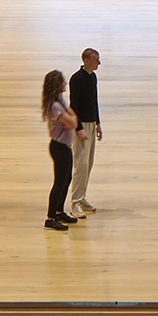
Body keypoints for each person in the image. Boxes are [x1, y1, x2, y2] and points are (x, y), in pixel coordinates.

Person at [67, 47, 103, 215]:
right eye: (96, 60)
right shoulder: (77, 79)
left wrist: (98, 123)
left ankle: (81, 197)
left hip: (91, 123)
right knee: (81, 164)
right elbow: (73, 106)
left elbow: (94, 100)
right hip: (80, 126)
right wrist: (79, 128)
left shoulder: (92, 77)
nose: (99, 63)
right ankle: (74, 203)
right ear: (86, 60)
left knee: (88, 163)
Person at [43, 69, 79, 230]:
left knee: (67, 179)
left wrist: (72, 119)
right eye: (63, 81)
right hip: (59, 147)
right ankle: (50, 218)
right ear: (57, 85)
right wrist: (72, 119)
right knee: (59, 182)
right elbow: (73, 123)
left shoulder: (59, 100)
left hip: (64, 146)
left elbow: (72, 118)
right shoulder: (56, 106)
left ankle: (59, 211)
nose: (65, 83)